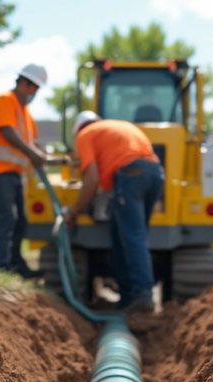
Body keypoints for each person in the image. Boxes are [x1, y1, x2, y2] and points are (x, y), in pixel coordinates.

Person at [63, 111, 163, 313]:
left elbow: (91, 180)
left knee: (132, 238)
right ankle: (127, 298)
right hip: (154, 175)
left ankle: (143, 295)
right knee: (123, 237)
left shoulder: (85, 135)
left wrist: (73, 211)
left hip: (130, 176)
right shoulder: (116, 127)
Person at [0, 63, 59, 278]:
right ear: (24, 83)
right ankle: (2, 266)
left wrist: (45, 155)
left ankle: (15, 264)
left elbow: (32, 142)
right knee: (6, 218)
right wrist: (33, 154)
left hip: (14, 173)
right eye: (33, 88)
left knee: (20, 220)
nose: (34, 93)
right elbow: (8, 133)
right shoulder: (4, 101)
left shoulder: (25, 114)